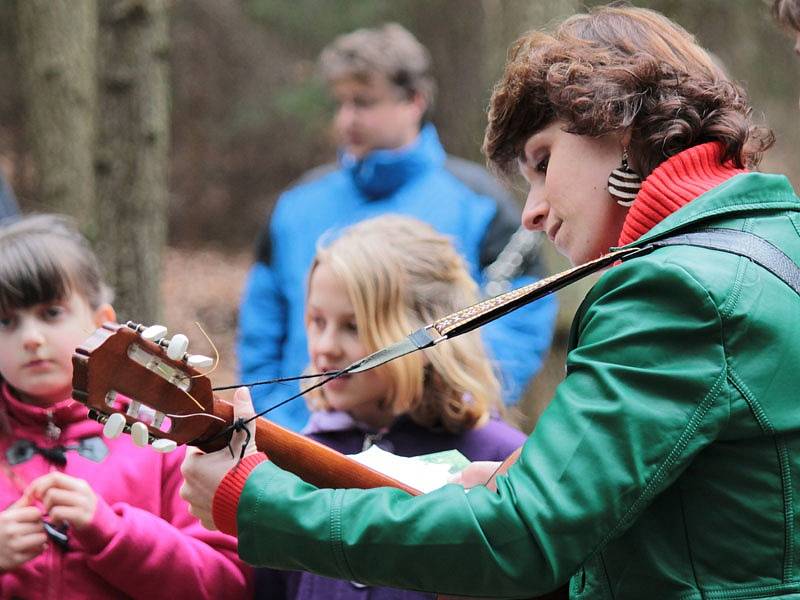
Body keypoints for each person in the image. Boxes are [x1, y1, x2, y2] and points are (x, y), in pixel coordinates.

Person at [181, 5, 799, 598]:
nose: (530, 213)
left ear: (616, 125)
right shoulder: (777, 239)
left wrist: (256, 501)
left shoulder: (676, 290)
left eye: (543, 162)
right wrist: (538, 482)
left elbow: (520, 537)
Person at [237, 23, 557, 431]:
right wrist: (279, 423)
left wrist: (451, 404)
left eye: (364, 102)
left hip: (431, 446)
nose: (348, 118)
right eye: (342, 103)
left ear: (414, 101)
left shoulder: (477, 201)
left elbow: (521, 316)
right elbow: (262, 328)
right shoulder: (296, 204)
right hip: (304, 439)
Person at [255, 215, 527, 599]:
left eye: (353, 326)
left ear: (429, 333)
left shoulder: (500, 460)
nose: (325, 346)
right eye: (317, 321)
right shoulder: (300, 461)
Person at [0, 214, 251, 598]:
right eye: (7, 322)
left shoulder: (165, 435)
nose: (31, 338)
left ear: (102, 323)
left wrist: (115, 534)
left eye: (51, 313)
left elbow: (226, 585)